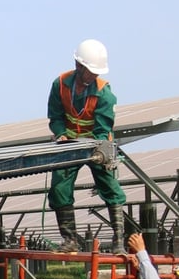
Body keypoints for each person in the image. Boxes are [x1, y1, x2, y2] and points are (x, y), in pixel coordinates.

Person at [47, 39, 127, 252]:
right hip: (69, 144)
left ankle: (119, 240)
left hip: (97, 144)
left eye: (96, 71)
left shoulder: (104, 93)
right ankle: (70, 240)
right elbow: (55, 116)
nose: (94, 75)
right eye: (90, 70)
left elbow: (103, 128)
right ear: (78, 66)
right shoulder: (61, 84)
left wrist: (98, 148)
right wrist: (61, 134)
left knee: (110, 187)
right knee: (59, 188)